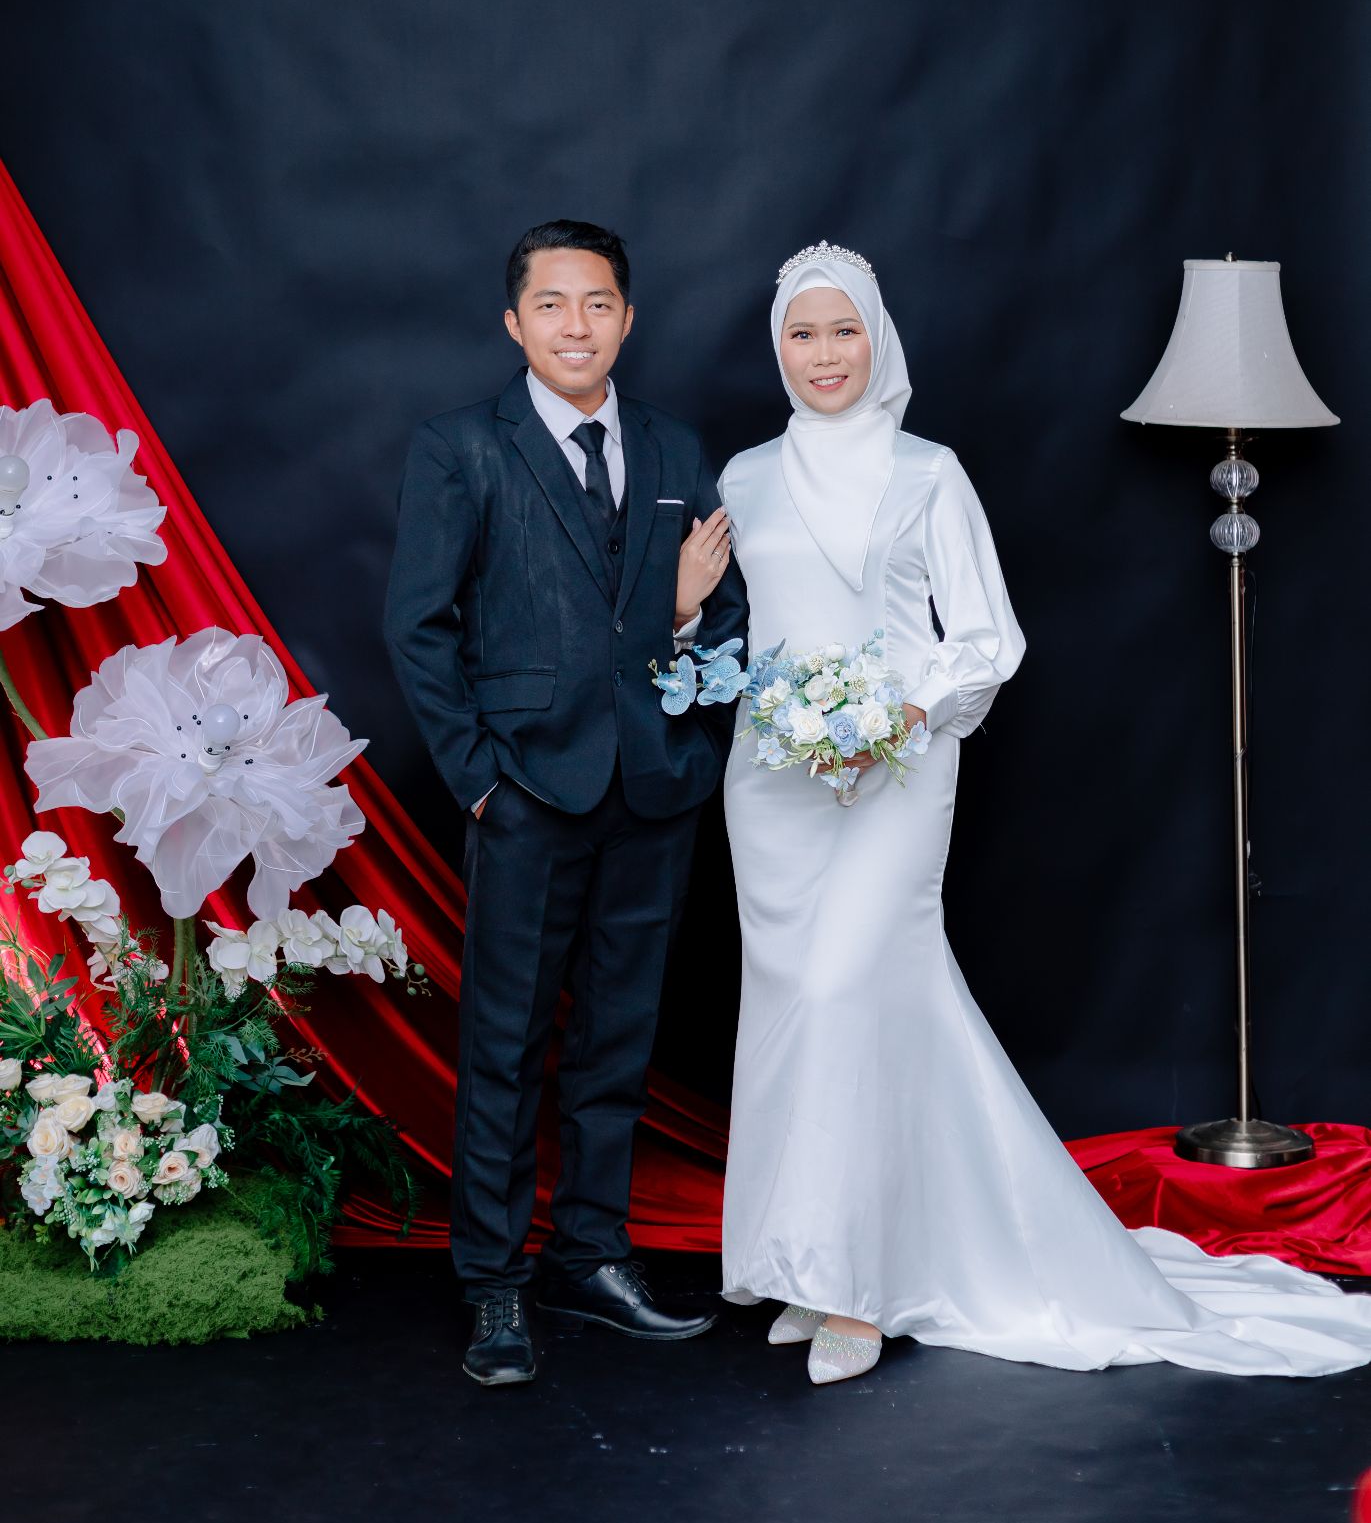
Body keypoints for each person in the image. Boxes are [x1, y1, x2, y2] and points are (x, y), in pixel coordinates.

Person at [705, 238, 1371, 1386]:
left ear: (877, 338)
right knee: (795, 1011)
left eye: (843, 329)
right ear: (779, 348)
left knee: (849, 991)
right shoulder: (746, 477)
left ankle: (860, 1285)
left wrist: (901, 714)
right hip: (774, 782)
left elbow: (986, 636)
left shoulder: (928, 471)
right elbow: (739, 631)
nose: (824, 353)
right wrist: (689, 624)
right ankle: (806, 1263)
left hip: (899, 766)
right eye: (802, 333)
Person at [384, 219, 747, 1386]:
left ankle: (592, 1256)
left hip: (654, 787)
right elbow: (418, 627)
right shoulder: (461, 448)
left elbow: (724, 616)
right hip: (527, 789)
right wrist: (482, 781)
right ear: (515, 322)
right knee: (506, 1042)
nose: (576, 325)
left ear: (627, 320)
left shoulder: (676, 446)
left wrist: (687, 635)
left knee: (618, 1040)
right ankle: (494, 1280)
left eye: (598, 304)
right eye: (552, 304)